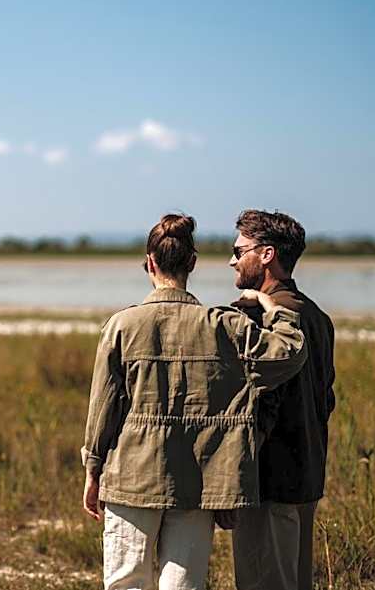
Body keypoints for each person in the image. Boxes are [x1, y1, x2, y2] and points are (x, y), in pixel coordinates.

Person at [81, 213, 308, 590]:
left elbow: (102, 409)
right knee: (183, 586)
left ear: (150, 263)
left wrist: (92, 470)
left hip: (130, 475)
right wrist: (275, 309)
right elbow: (288, 353)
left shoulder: (121, 326)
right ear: (193, 263)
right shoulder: (223, 325)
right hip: (198, 480)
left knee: (126, 582)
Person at [229, 210, 336, 590]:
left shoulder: (255, 315)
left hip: (267, 481)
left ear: (267, 254)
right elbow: (327, 399)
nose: (232, 260)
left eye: (239, 250)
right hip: (306, 474)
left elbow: (255, 406)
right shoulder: (318, 317)